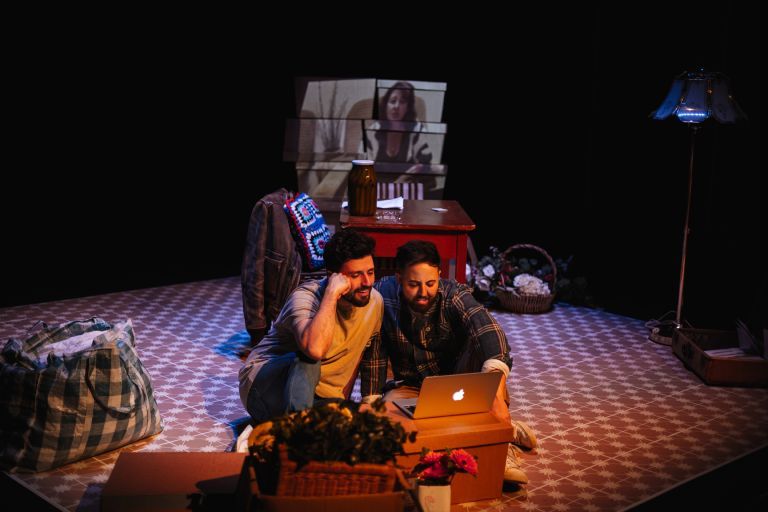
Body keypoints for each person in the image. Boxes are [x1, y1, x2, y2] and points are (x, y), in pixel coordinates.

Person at [359, 240, 538, 485]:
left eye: (430, 283)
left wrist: (496, 396)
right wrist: (370, 402)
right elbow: (374, 352)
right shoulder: (381, 296)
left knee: (485, 359)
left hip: (458, 383)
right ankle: (509, 429)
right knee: (396, 433)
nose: (423, 292)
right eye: (413, 284)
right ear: (399, 277)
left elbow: (489, 331)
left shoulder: (453, 293)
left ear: (439, 276)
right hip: (410, 386)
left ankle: (502, 442)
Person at [238, 229, 383, 422]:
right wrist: (331, 294)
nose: (367, 282)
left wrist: (341, 399)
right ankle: (299, 429)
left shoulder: (374, 302)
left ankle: (303, 422)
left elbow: (354, 357)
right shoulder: (305, 298)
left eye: (370, 272)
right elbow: (314, 349)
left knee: (349, 418)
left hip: (313, 394)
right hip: (263, 385)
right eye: (356, 274)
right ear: (334, 276)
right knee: (309, 354)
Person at [366, 81, 432, 169]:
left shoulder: (417, 129)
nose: (396, 106)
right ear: (386, 105)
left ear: (408, 108)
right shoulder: (372, 130)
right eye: (392, 101)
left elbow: (426, 165)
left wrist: (404, 178)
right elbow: (362, 165)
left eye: (402, 102)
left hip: (408, 180)